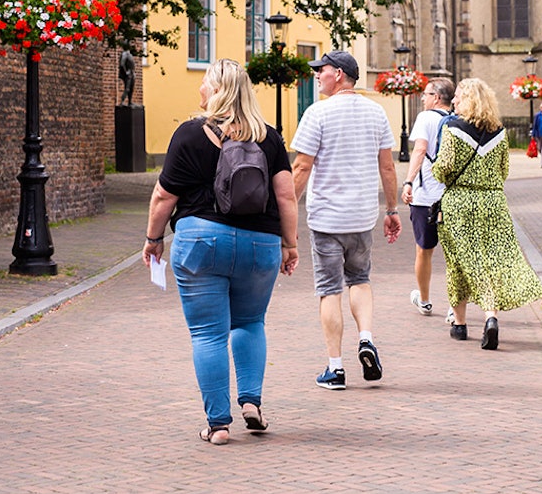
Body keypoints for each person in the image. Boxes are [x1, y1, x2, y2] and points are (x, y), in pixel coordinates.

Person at [143, 59, 300, 446]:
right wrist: (290, 243)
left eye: (205, 83)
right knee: (250, 322)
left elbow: (164, 195)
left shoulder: (189, 134)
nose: (200, 89)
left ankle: (218, 425)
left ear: (215, 90)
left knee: (208, 334)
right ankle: (252, 403)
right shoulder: (270, 138)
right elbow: (286, 196)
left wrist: (153, 238)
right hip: (260, 244)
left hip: (201, 241)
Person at [291, 50, 401, 390]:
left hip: (326, 219)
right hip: (362, 216)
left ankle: (335, 368)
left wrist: (286, 212)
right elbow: (387, 167)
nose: (317, 76)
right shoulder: (376, 112)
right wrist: (392, 211)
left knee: (329, 290)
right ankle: (366, 338)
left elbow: (302, 167)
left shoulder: (317, 113)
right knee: (360, 279)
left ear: (338, 74)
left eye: (321, 71)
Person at [432, 78, 542, 350]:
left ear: (468, 99)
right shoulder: (500, 132)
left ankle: (459, 325)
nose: (455, 100)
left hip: (460, 202)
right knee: (492, 261)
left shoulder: (452, 129)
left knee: (459, 262)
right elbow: (504, 171)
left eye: (458, 96)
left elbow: (444, 166)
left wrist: (437, 171)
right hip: (493, 201)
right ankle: (491, 317)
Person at [400, 78, 455, 318]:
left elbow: (420, 149)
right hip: (453, 196)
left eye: (425, 94)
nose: (422, 98)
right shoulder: (459, 120)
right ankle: (455, 308)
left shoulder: (425, 118)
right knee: (455, 253)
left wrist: (409, 181)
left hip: (427, 197)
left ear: (436, 97)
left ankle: (424, 300)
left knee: (424, 250)